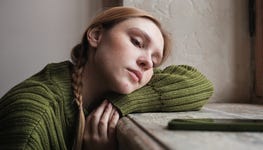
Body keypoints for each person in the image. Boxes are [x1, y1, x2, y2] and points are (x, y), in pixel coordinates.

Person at [0, 6, 213, 150]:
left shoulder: (105, 88)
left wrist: (121, 103)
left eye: (155, 62)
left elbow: (200, 84)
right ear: (96, 36)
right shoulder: (33, 122)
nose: (147, 63)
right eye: (137, 42)